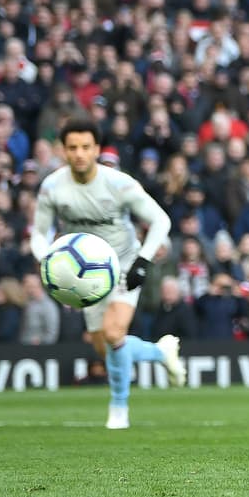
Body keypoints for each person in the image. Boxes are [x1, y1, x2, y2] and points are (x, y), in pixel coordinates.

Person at [31, 117, 185, 430]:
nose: (79, 154)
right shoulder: (52, 187)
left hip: (123, 264)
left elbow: (161, 221)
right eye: (72, 147)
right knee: (104, 346)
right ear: (62, 150)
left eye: (85, 147)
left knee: (115, 334)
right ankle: (160, 351)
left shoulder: (119, 184)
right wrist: (47, 259)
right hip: (81, 274)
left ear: (97, 149)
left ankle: (118, 410)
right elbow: (38, 233)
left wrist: (143, 260)